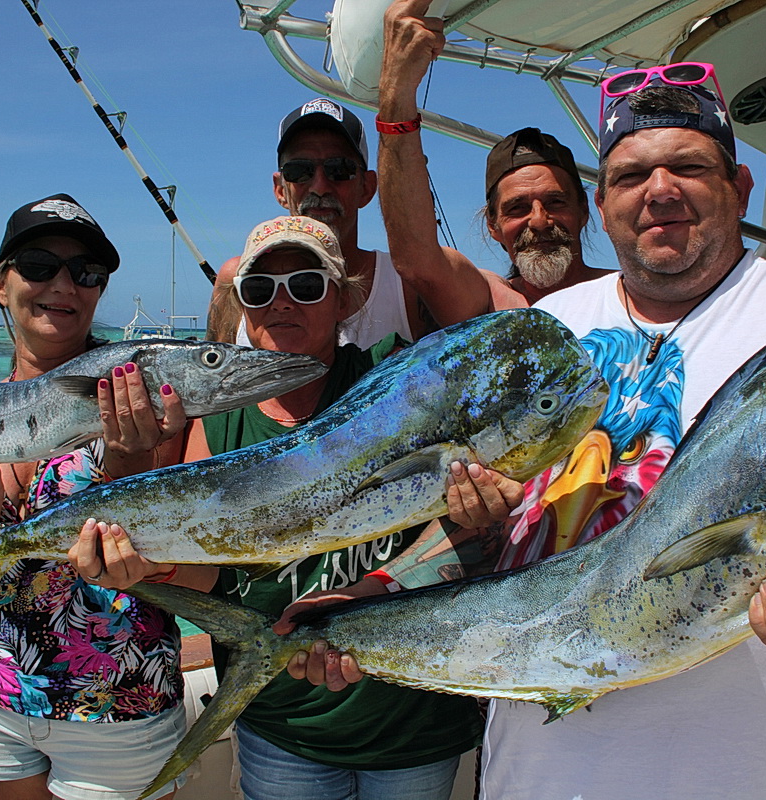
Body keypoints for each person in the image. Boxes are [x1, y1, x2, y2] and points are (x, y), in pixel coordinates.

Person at [301, 63, 766, 798]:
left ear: (740, 186)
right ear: (603, 204)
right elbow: (510, 530)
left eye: (688, 167)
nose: (659, 191)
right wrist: (374, 591)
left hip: (743, 774)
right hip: (533, 770)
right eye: (631, 176)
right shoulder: (548, 333)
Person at [0, 193, 218, 800]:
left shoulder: (163, 407)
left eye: (86, 273)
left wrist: (129, 462)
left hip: (120, 710)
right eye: (39, 265)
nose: (63, 284)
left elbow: (201, 583)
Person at [183, 214, 520, 800]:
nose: (283, 303)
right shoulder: (217, 422)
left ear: (345, 299)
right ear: (242, 308)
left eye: (307, 285)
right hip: (282, 727)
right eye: (261, 290)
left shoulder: (404, 380)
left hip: (414, 722)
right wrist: (144, 569)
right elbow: (203, 569)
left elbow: (477, 538)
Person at [376, 0, 605, 314]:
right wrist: (396, 89)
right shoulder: (489, 302)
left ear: (584, 211)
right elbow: (417, 261)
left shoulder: (629, 294)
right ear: (493, 226)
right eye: (517, 208)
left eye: (555, 202)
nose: (539, 221)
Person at [207, 98, 441, 347]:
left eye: (339, 169)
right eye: (299, 170)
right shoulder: (235, 278)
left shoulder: (405, 284)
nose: (319, 187)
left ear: (368, 187)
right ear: (280, 189)